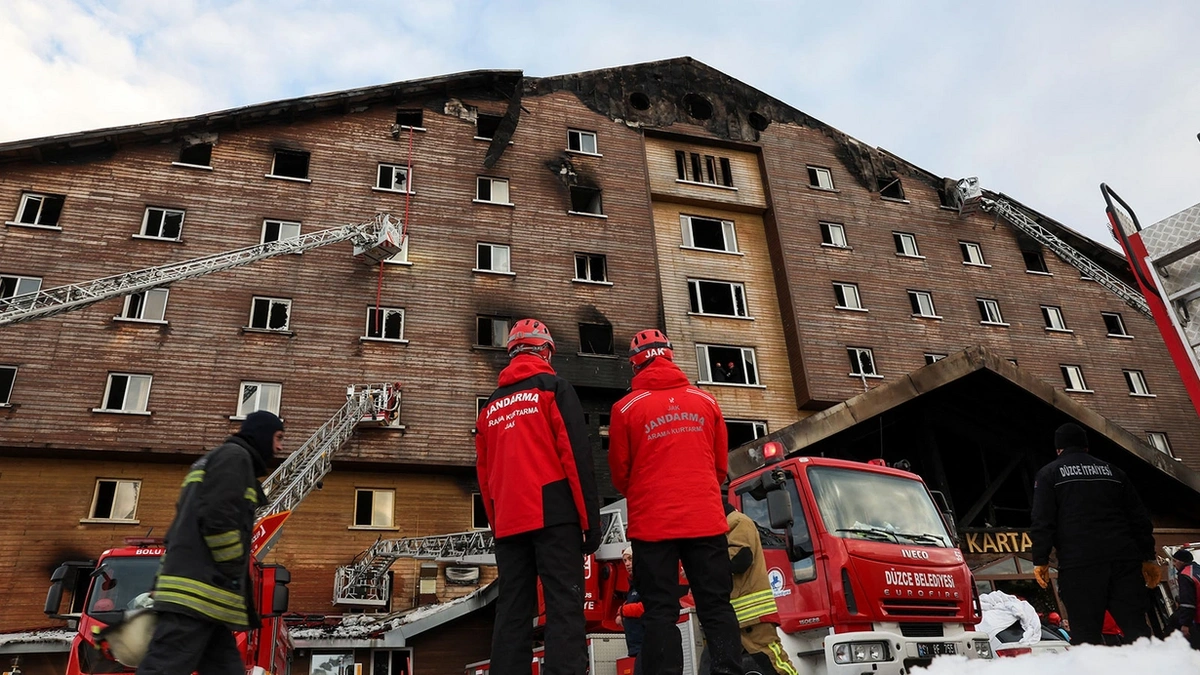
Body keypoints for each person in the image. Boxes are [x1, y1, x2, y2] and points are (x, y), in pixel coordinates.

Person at [609, 329, 743, 675]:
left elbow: (620, 474)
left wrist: (647, 493)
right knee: (716, 605)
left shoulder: (624, 408)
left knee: (659, 612)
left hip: (653, 528)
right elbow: (718, 467)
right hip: (706, 521)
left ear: (635, 364)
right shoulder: (707, 401)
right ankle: (728, 670)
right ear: (670, 356)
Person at [475, 318, 602, 675]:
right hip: (554, 515)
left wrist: (497, 525)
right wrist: (590, 522)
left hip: (510, 522)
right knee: (564, 605)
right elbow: (576, 457)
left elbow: (484, 477)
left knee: (512, 611)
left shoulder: (490, 407)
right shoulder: (554, 388)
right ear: (545, 350)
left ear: (513, 352)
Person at [137, 411, 282, 675]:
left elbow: (177, 533)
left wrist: (159, 584)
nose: (280, 446)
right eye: (278, 437)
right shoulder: (235, 459)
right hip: (197, 596)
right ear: (262, 434)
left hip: (204, 601)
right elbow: (219, 519)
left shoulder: (213, 461)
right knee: (163, 668)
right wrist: (232, 570)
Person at [1030, 422, 1159, 646]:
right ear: (1086, 447)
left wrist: (1040, 559)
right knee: (1137, 630)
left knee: (1086, 637)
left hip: (1080, 564)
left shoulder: (1049, 474)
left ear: (1058, 448)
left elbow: (1043, 520)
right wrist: (1148, 556)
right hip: (1124, 562)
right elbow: (1139, 519)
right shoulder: (1115, 472)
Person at [725, 502, 797, 675]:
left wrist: (701, 564)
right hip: (733, 618)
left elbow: (740, 559)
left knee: (775, 665)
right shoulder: (730, 524)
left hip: (752, 616)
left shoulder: (738, 521)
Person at [616, 546, 645, 675]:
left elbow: (647, 607)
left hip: (647, 645)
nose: (627, 564)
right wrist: (621, 612)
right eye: (625, 561)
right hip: (637, 647)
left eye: (630, 559)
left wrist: (623, 611)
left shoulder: (645, 582)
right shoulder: (633, 586)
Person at [1169, 548, 1200, 649]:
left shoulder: (1185, 575)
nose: (1173, 564)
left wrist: (1185, 624)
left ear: (1181, 561)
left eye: (1175, 561)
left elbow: (1188, 603)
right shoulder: (1197, 570)